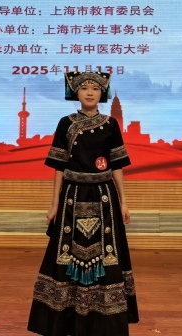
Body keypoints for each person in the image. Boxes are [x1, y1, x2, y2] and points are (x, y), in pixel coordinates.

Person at [27, 71, 139, 336]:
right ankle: (64, 319)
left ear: (103, 93)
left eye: (96, 88)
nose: (90, 92)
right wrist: (54, 204)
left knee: (108, 257)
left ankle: (104, 320)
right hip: (71, 196)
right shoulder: (65, 123)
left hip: (104, 198)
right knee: (66, 257)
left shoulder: (111, 124)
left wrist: (124, 202)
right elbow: (58, 167)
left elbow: (117, 166)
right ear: (75, 92)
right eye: (85, 88)